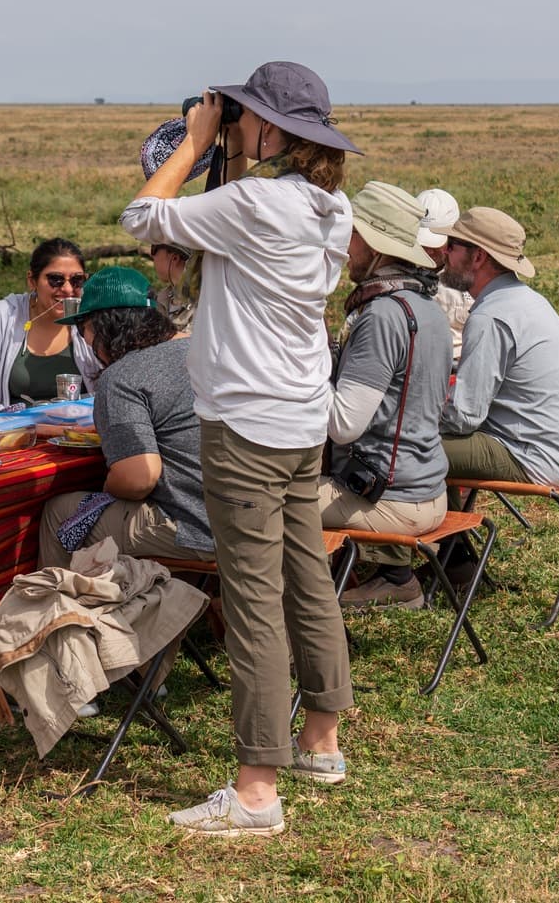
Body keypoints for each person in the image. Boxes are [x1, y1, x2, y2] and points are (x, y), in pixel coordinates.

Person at [119, 60, 358, 838]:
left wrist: (190, 146)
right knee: (306, 574)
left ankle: (257, 788)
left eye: (246, 115)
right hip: (298, 421)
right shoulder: (329, 203)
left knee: (254, 601)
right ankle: (321, 737)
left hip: (244, 426)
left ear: (271, 129)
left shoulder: (252, 200)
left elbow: (141, 216)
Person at [323, 182, 453, 608]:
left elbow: (343, 426)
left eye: (352, 233)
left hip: (390, 499)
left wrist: (297, 376)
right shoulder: (427, 308)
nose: (345, 245)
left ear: (375, 245)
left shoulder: (382, 316)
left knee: (262, 504)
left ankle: (301, 616)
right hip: (428, 489)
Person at [36, 267, 213, 570]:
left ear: (104, 325)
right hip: (256, 517)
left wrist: (106, 489)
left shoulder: (122, 377)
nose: (86, 344)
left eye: (83, 330)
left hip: (197, 530)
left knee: (60, 513)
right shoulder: (206, 348)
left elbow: (137, 479)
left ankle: (58, 610)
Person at [436, 208, 559, 486]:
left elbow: (463, 416)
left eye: (452, 246)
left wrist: (411, 414)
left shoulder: (490, 316)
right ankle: (450, 527)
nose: (444, 252)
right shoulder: (526, 300)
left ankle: (439, 527)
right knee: (416, 444)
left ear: (478, 256)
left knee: (405, 449)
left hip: (529, 456)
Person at [0, 238, 104, 415]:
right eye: (56, 279)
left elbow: (109, 390)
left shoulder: (93, 320)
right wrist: (20, 426)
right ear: (32, 280)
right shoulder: (4, 315)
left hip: (79, 434)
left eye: (77, 280)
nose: (67, 289)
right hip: (13, 433)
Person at [416, 187, 472, 361]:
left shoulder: (472, 277)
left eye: (434, 244)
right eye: (422, 243)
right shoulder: (397, 272)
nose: (428, 250)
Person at [149, 241, 198, 333]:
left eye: (154, 249)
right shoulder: (160, 299)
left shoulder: (204, 303)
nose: (152, 256)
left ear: (175, 258)